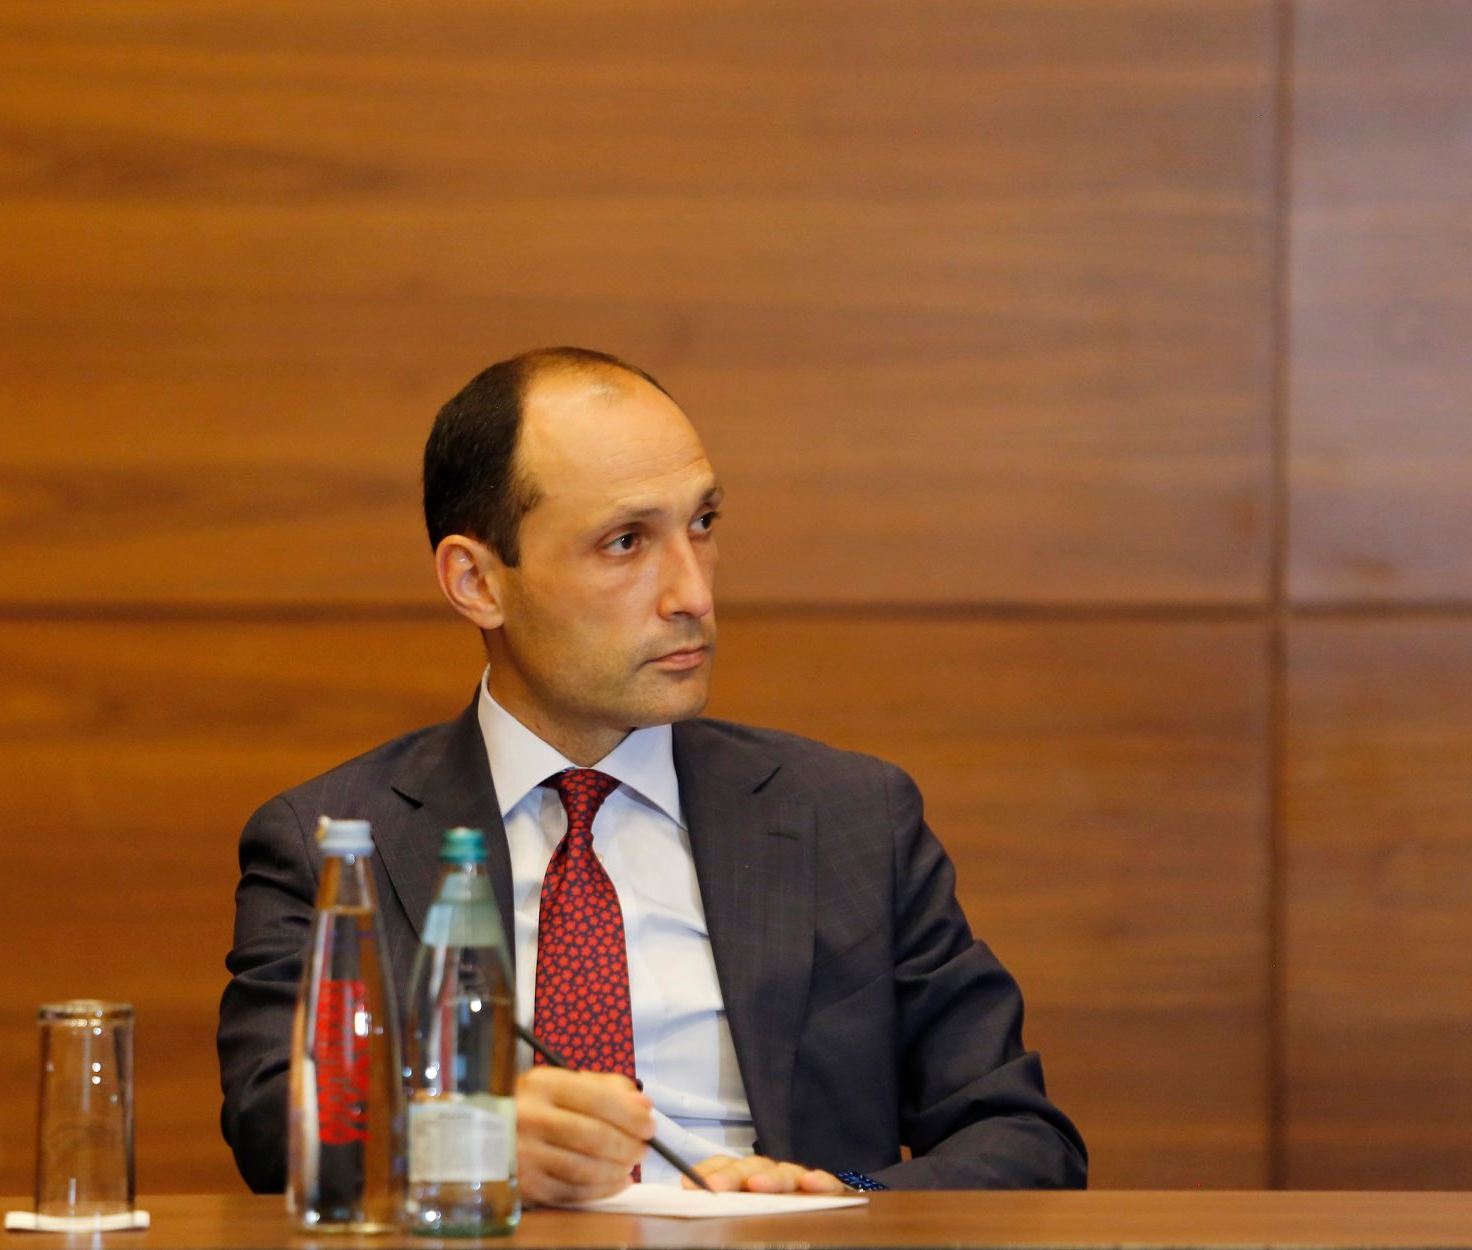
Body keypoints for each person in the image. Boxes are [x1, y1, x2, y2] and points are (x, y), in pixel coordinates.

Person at [217, 347, 1087, 1202]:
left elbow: (1020, 1137)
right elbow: (272, 1122)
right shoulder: (338, 839)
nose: (693, 595)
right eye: (626, 542)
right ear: (477, 582)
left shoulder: (852, 818)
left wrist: (837, 1197)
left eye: (702, 524)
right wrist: (468, 1139)